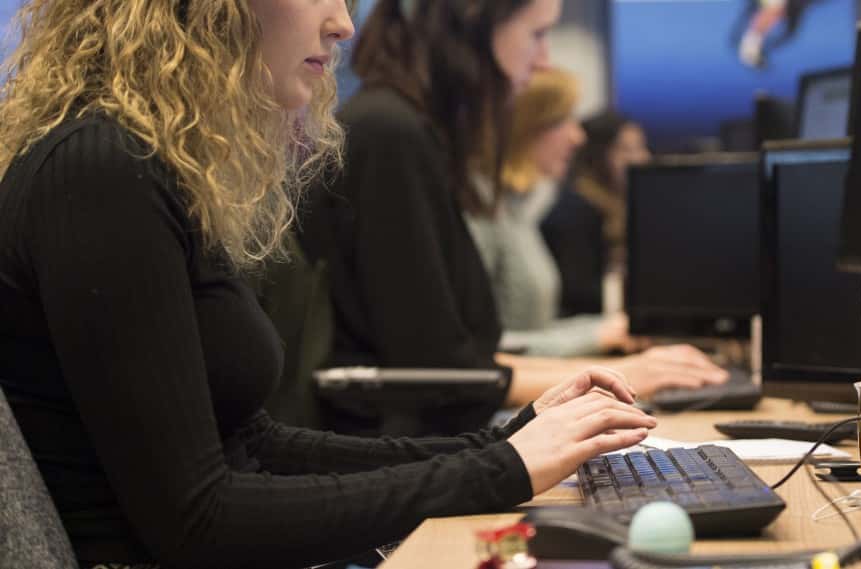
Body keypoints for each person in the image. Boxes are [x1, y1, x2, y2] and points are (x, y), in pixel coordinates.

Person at [0, 1, 656, 567]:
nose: (343, 23)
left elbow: (253, 442)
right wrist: (498, 470)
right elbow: (197, 519)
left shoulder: (154, 169)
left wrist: (501, 443)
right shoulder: (101, 175)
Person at [300, 0, 727, 437]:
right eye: (537, 35)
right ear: (471, 31)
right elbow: (441, 372)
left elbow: (463, 361)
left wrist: (608, 372)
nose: (543, 61)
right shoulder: (390, 133)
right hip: (400, 462)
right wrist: (617, 376)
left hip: (422, 453)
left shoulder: (412, 132)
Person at [467, 69, 656, 357]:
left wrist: (611, 328)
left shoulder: (511, 211)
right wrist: (596, 337)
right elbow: (479, 351)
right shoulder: (478, 211)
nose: (577, 137)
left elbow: (538, 331)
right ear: (524, 127)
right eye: (561, 121)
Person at [541, 111, 651, 318]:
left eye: (641, 147)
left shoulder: (620, 207)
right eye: (628, 150)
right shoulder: (574, 212)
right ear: (598, 156)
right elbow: (577, 292)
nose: (642, 158)